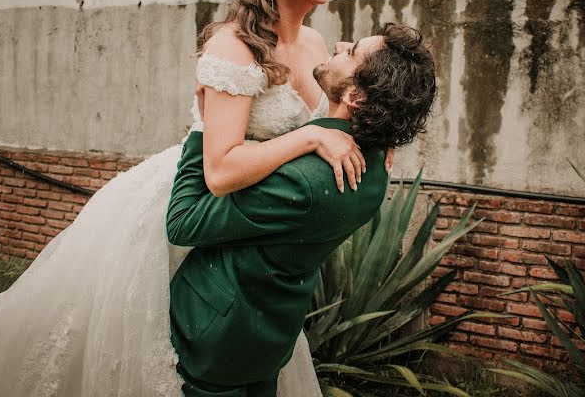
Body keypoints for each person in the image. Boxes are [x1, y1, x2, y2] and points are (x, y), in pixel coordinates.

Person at [0, 0, 370, 396]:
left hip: (257, 227)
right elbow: (219, 170)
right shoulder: (234, 46)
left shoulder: (314, 43)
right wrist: (307, 136)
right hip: (198, 208)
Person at [168, 23, 436, 397]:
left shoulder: (304, 182)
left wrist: (205, 126)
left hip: (216, 334)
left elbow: (183, 221)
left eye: (352, 50)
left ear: (356, 95)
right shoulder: (375, 171)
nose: (340, 43)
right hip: (272, 336)